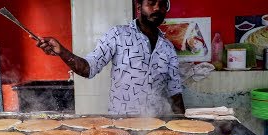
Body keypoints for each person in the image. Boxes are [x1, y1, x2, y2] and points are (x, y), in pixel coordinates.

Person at [34, 0, 185, 115]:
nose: (157, 8)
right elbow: (88, 68)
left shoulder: (168, 48)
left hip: (155, 123)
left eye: (162, 4)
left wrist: (182, 126)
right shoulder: (118, 35)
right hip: (121, 123)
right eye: (151, 2)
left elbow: (175, 92)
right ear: (139, 7)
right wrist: (61, 51)